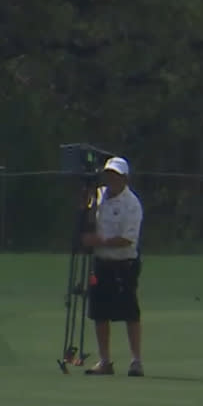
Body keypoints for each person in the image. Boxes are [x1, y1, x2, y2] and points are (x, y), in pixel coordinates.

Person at [81, 157, 144, 376]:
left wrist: (100, 241)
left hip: (123, 264)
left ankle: (136, 360)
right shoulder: (98, 196)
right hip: (101, 262)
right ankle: (105, 360)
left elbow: (128, 239)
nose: (112, 179)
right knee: (100, 312)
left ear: (125, 178)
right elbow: (85, 215)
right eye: (109, 174)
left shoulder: (132, 204)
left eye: (116, 175)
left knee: (129, 312)